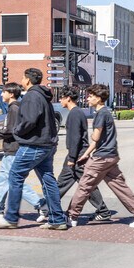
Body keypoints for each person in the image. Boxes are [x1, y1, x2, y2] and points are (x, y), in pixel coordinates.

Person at [0, 68, 67, 230]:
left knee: (15, 177)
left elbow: (29, 121)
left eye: (23, 77)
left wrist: (18, 131)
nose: (22, 80)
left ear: (28, 80)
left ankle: (11, 218)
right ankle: (57, 219)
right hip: (47, 144)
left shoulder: (32, 96)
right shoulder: (43, 96)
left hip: (34, 144)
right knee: (48, 181)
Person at [67, 84, 134, 228]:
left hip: (101, 158)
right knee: (119, 186)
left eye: (91, 96)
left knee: (84, 185)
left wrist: (92, 134)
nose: (88, 98)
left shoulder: (101, 114)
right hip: (111, 156)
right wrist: (86, 154)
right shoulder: (105, 112)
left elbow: (95, 137)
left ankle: (72, 215)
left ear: (99, 98)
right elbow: (99, 141)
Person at [37, 85, 111, 224]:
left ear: (68, 98)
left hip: (77, 155)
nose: (60, 100)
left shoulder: (75, 114)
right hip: (78, 154)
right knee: (81, 184)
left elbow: (75, 137)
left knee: (76, 184)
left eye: (62, 97)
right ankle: (102, 211)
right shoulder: (76, 113)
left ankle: (47, 209)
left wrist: (72, 158)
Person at [0, 82, 45, 220]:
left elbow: (11, 130)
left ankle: (41, 205)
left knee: (14, 181)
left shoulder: (14, 109)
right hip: (13, 149)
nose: (2, 94)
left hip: (13, 150)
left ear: (11, 94)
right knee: (5, 180)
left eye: (3, 92)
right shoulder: (16, 107)